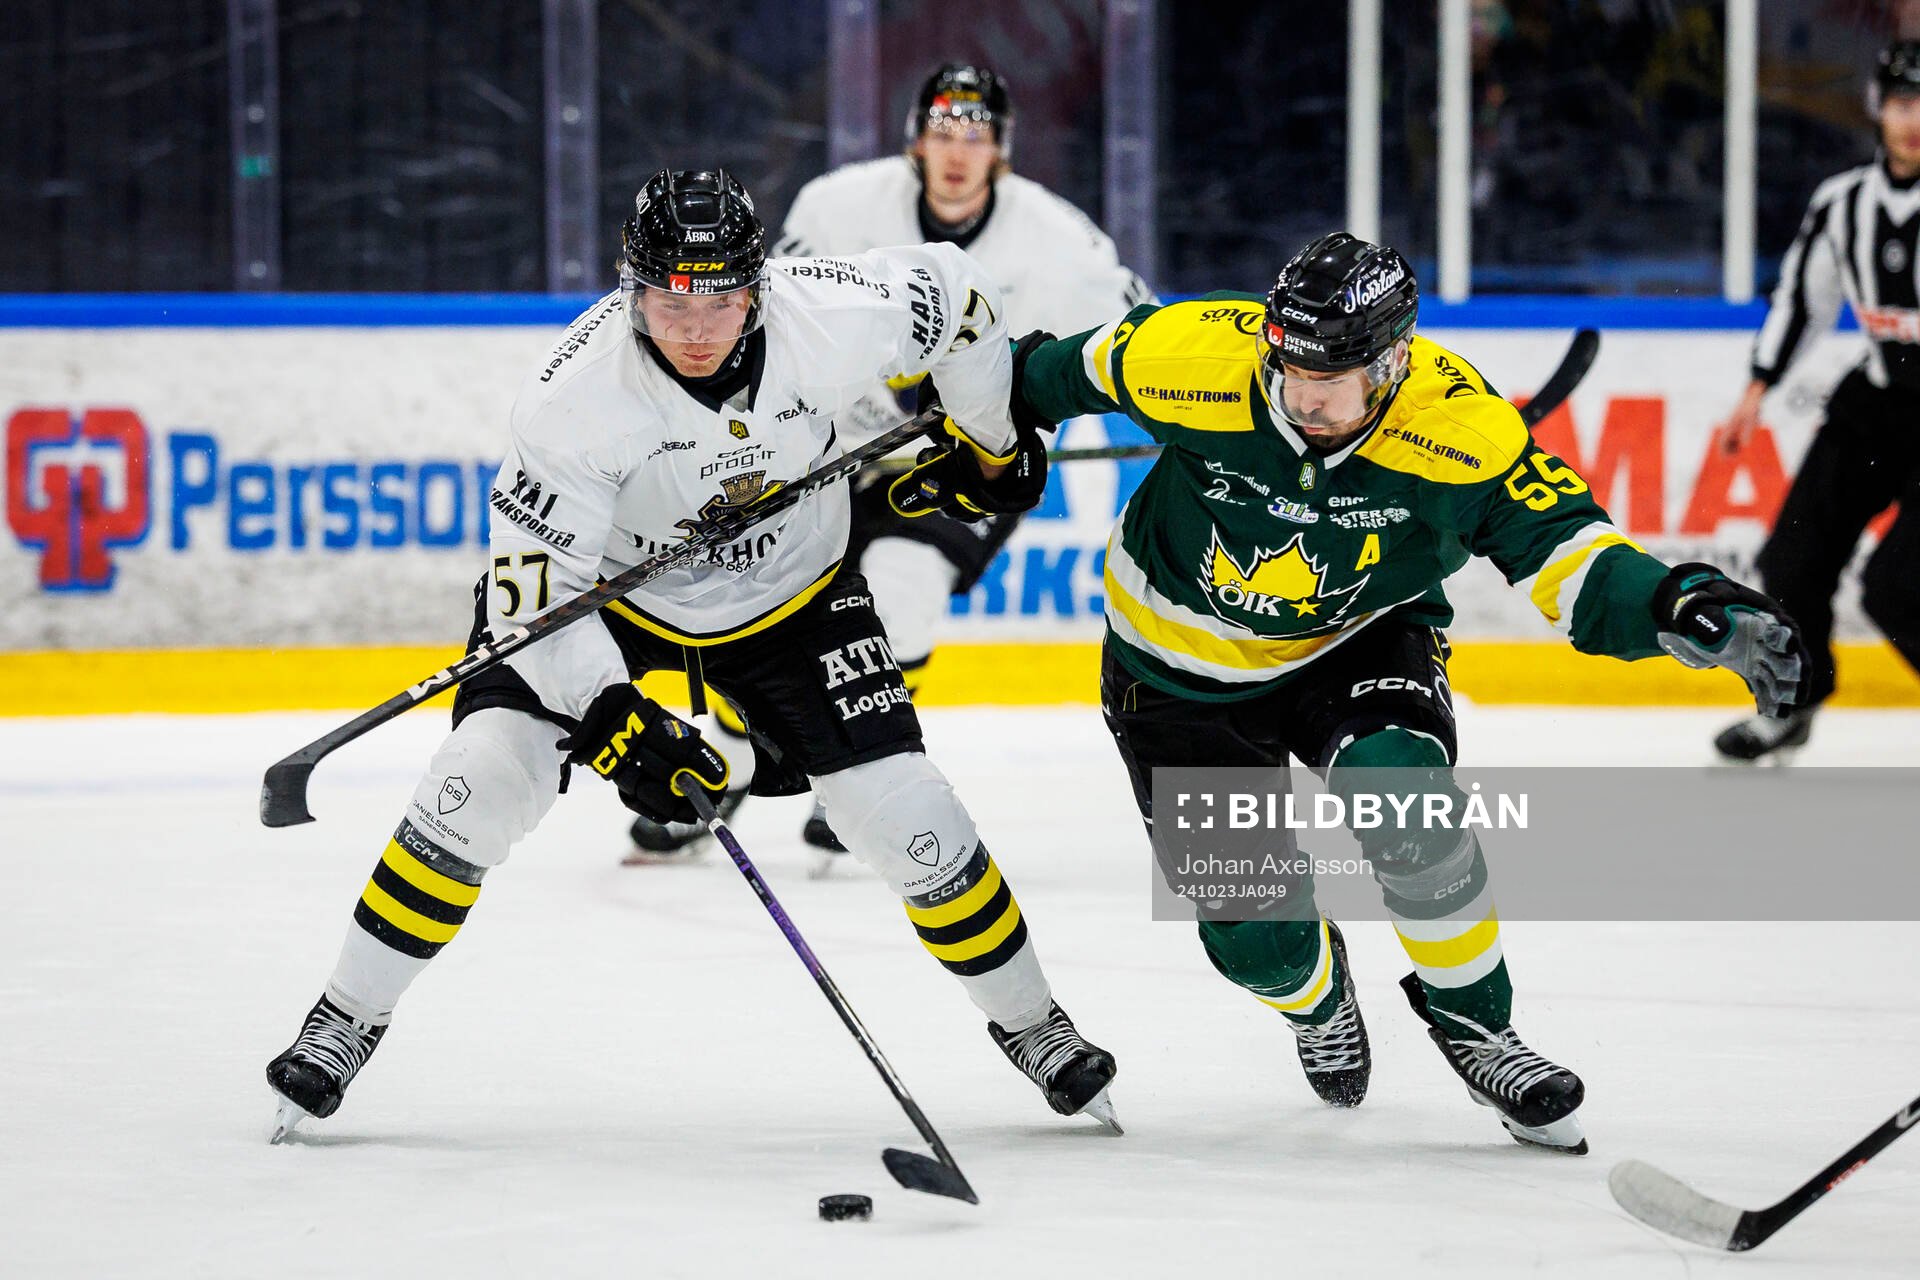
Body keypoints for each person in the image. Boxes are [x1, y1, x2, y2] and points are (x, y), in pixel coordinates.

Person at [264, 169, 1119, 1141]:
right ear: (633, 288)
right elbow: (534, 597)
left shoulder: (833, 310)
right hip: (608, 595)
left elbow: (962, 300)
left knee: (910, 813)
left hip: (792, 591)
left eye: (721, 298)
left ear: (759, 285)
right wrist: (612, 721)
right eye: (671, 298)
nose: (697, 324)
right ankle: (346, 1014)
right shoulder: (573, 400)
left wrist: (992, 442)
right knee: (478, 778)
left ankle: (1035, 1024)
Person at [1009, 232, 1807, 1153]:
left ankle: (1478, 1027)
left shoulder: (1454, 427)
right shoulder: (1193, 355)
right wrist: (983, 446)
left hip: (1359, 640)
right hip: (1173, 673)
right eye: (1291, 365)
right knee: (1257, 943)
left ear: (1392, 362)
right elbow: (1043, 378)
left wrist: (1674, 600)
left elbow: (1571, 555)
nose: (1302, 395)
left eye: (1332, 376)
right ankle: (1318, 1002)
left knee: (1408, 801)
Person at [625, 62, 1152, 865]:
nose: (956, 151)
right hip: (829, 449)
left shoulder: (1060, 241)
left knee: (903, 594)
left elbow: (1135, 340)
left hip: (966, 458)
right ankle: (731, 762)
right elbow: (770, 319)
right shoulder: (839, 208)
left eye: (975, 134)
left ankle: (851, 775)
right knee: (759, 604)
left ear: (1001, 150)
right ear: (916, 137)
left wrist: (1190, 407)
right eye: (942, 129)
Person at [1711, 39, 1920, 763]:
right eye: (1900, 102)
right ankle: (1793, 705)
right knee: (1793, 556)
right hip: (1879, 402)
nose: (1911, 119)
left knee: (1901, 587)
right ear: (1877, 110)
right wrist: (1756, 390)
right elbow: (1804, 302)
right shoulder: (1843, 204)